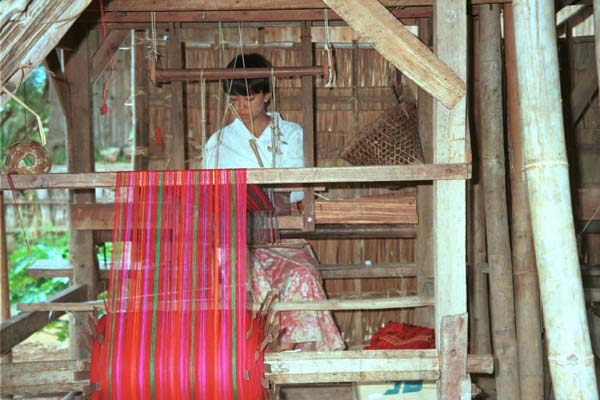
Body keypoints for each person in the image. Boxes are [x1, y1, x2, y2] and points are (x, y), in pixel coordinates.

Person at [203, 53, 344, 352]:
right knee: (241, 272)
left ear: (266, 94)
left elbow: (298, 189)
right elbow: (209, 193)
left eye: (249, 98)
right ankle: (250, 350)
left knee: (303, 274)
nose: (241, 107)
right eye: (235, 100)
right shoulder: (218, 143)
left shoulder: (292, 136)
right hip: (236, 239)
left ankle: (291, 352)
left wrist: (262, 190)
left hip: (283, 236)